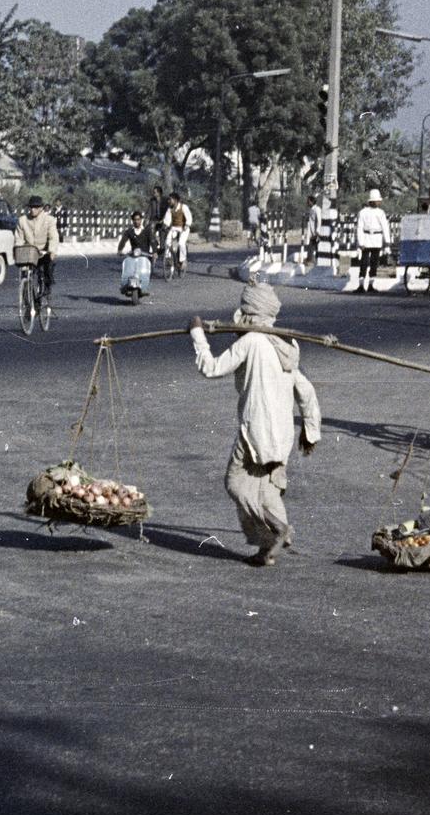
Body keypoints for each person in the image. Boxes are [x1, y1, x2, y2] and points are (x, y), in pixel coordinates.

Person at [188, 283, 321, 567]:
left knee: (236, 483)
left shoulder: (252, 342)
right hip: (282, 434)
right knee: (267, 490)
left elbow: (211, 368)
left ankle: (274, 528)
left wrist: (197, 333)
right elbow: (306, 391)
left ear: (248, 314)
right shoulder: (287, 344)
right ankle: (268, 548)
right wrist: (311, 431)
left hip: (256, 431)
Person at [14, 195, 61, 297]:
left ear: (41, 208)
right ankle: (26, 293)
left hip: (42, 251)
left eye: (35, 207)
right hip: (29, 251)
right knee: (25, 270)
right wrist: (18, 248)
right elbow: (19, 238)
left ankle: (46, 287)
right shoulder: (22, 220)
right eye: (31, 207)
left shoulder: (49, 220)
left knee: (47, 267)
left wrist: (52, 251)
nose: (32, 210)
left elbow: (53, 236)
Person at [354, 189, 391, 293]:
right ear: (372, 201)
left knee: (374, 263)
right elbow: (360, 228)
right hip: (366, 238)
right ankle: (361, 285)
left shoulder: (381, 213)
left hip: (377, 238)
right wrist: (360, 242)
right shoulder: (363, 212)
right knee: (364, 263)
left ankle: (371, 285)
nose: (379, 202)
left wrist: (387, 241)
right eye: (377, 200)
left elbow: (385, 227)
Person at [117, 211, 156, 300]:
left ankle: (144, 287)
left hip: (145, 255)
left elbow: (152, 241)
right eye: (134, 220)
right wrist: (120, 250)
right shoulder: (129, 231)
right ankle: (125, 284)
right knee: (129, 268)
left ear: (141, 220)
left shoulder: (147, 231)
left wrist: (154, 252)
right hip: (133, 255)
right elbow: (123, 240)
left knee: (145, 271)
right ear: (132, 221)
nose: (136, 222)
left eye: (138, 219)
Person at [163, 191, 192, 273]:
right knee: (168, 241)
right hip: (174, 228)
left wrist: (187, 224)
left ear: (175, 200)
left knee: (181, 243)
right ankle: (168, 258)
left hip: (184, 228)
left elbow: (189, 217)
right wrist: (165, 226)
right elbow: (167, 220)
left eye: (170, 199)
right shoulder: (170, 209)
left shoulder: (183, 207)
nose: (169, 201)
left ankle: (183, 260)